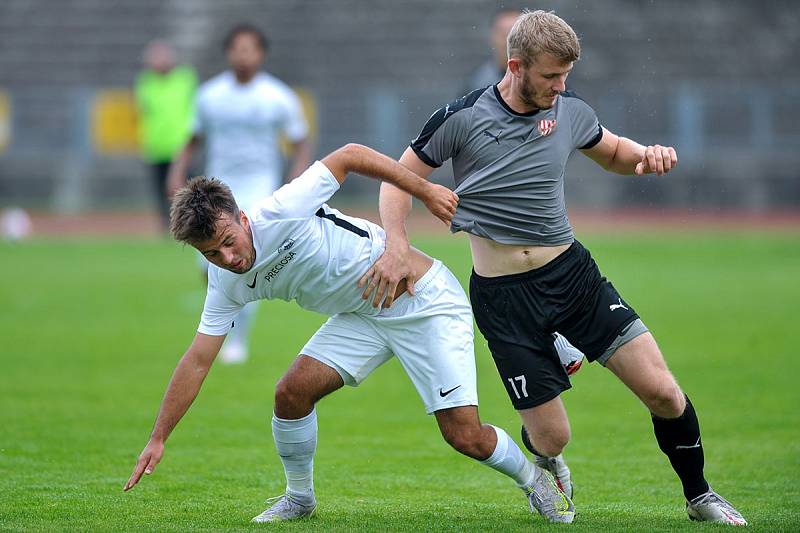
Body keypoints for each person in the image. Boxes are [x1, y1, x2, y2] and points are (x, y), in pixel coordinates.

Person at [365, 10, 746, 526]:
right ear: (516, 66)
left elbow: (611, 152)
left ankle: (701, 496)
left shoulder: (569, 110)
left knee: (661, 389)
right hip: (503, 299)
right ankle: (546, 459)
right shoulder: (462, 116)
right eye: (550, 77)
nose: (560, 87)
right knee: (553, 437)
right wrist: (397, 244)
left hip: (572, 278)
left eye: (567, 76)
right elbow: (396, 180)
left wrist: (645, 156)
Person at [124, 143, 576, 524]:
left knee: (464, 436)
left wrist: (423, 189)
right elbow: (198, 359)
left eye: (228, 241)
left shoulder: (281, 210)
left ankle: (536, 479)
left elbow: (351, 154)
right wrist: (159, 436)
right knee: (291, 394)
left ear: (242, 218)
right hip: (362, 316)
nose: (228, 258)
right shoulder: (225, 280)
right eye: (211, 254)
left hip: (423, 301)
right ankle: (300, 499)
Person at [167, 23, 312, 364]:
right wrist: (176, 172)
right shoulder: (210, 96)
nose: (243, 55)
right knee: (209, 266)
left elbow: (300, 142)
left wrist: (295, 181)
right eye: (237, 48)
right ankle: (228, 324)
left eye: (250, 49)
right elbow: (193, 139)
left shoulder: (277, 96)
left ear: (261, 53)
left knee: (242, 262)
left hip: (259, 188)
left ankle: (237, 338)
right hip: (217, 189)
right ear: (228, 52)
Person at [134, 40, 197, 231]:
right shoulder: (145, 82)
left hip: (181, 146)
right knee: (161, 191)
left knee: (187, 190)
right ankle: (167, 226)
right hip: (156, 147)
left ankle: (191, 225)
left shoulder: (185, 78)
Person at [463, 8, 521, 95]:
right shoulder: (477, 84)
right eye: (504, 34)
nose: (509, 41)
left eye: (516, 34)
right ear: (492, 37)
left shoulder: (541, 80)